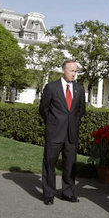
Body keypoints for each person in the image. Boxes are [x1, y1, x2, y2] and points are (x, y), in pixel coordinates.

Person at [39, 59, 86, 205]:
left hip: (71, 133)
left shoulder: (79, 89)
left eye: (76, 71)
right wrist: (54, 123)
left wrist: (72, 123)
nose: (74, 74)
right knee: (49, 164)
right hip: (54, 133)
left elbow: (81, 110)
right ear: (63, 70)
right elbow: (43, 109)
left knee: (70, 165)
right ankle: (49, 194)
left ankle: (68, 192)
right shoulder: (51, 87)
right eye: (71, 71)